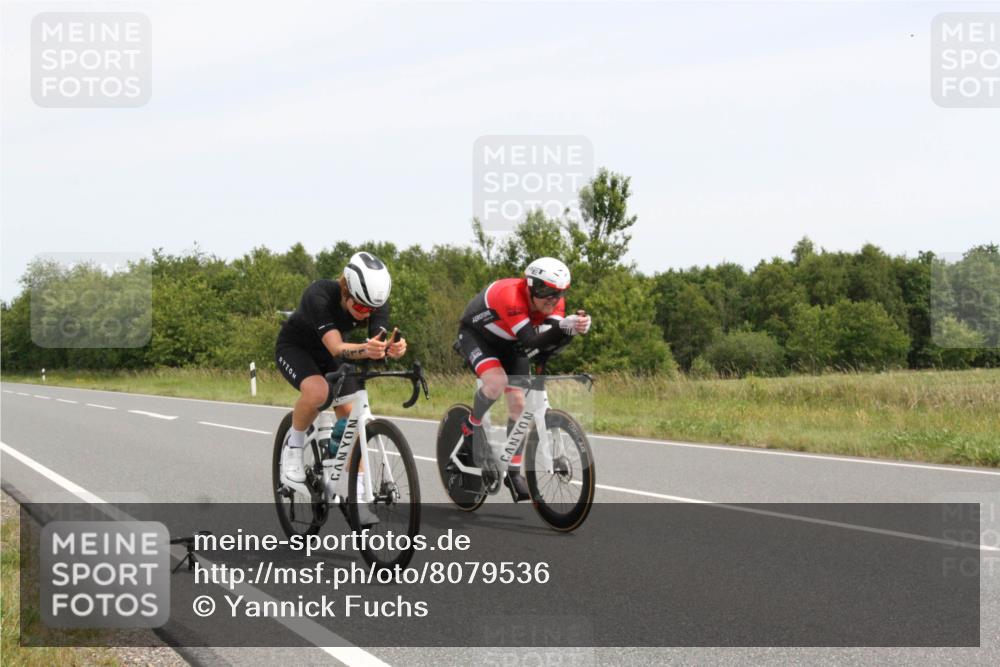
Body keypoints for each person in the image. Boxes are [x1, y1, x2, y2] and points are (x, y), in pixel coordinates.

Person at [275, 252, 407, 521]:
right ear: (346, 289)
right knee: (318, 393)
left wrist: (392, 349)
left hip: (330, 354)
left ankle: (358, 499)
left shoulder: (374, 302)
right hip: (296, 347)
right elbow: (337, 347)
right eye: (359, 306)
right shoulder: (319, 295)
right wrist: (367, 349)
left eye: (370, 309)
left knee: (352, 418)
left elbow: (376, 344)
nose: (364, 312)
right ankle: (293, 448)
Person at [455, 257, 591, 501]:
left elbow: (548, 343)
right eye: (546, 291)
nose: (553, 299)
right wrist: (563, 328)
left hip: (511, 342)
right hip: (478, 337)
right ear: (531, 286)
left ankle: (513, 472)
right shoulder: (512, 296)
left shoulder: (555, 303)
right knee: (496, 383)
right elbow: (532, 341)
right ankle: (471, 424)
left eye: (559, 293)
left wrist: (573, 330)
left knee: (518, 403)